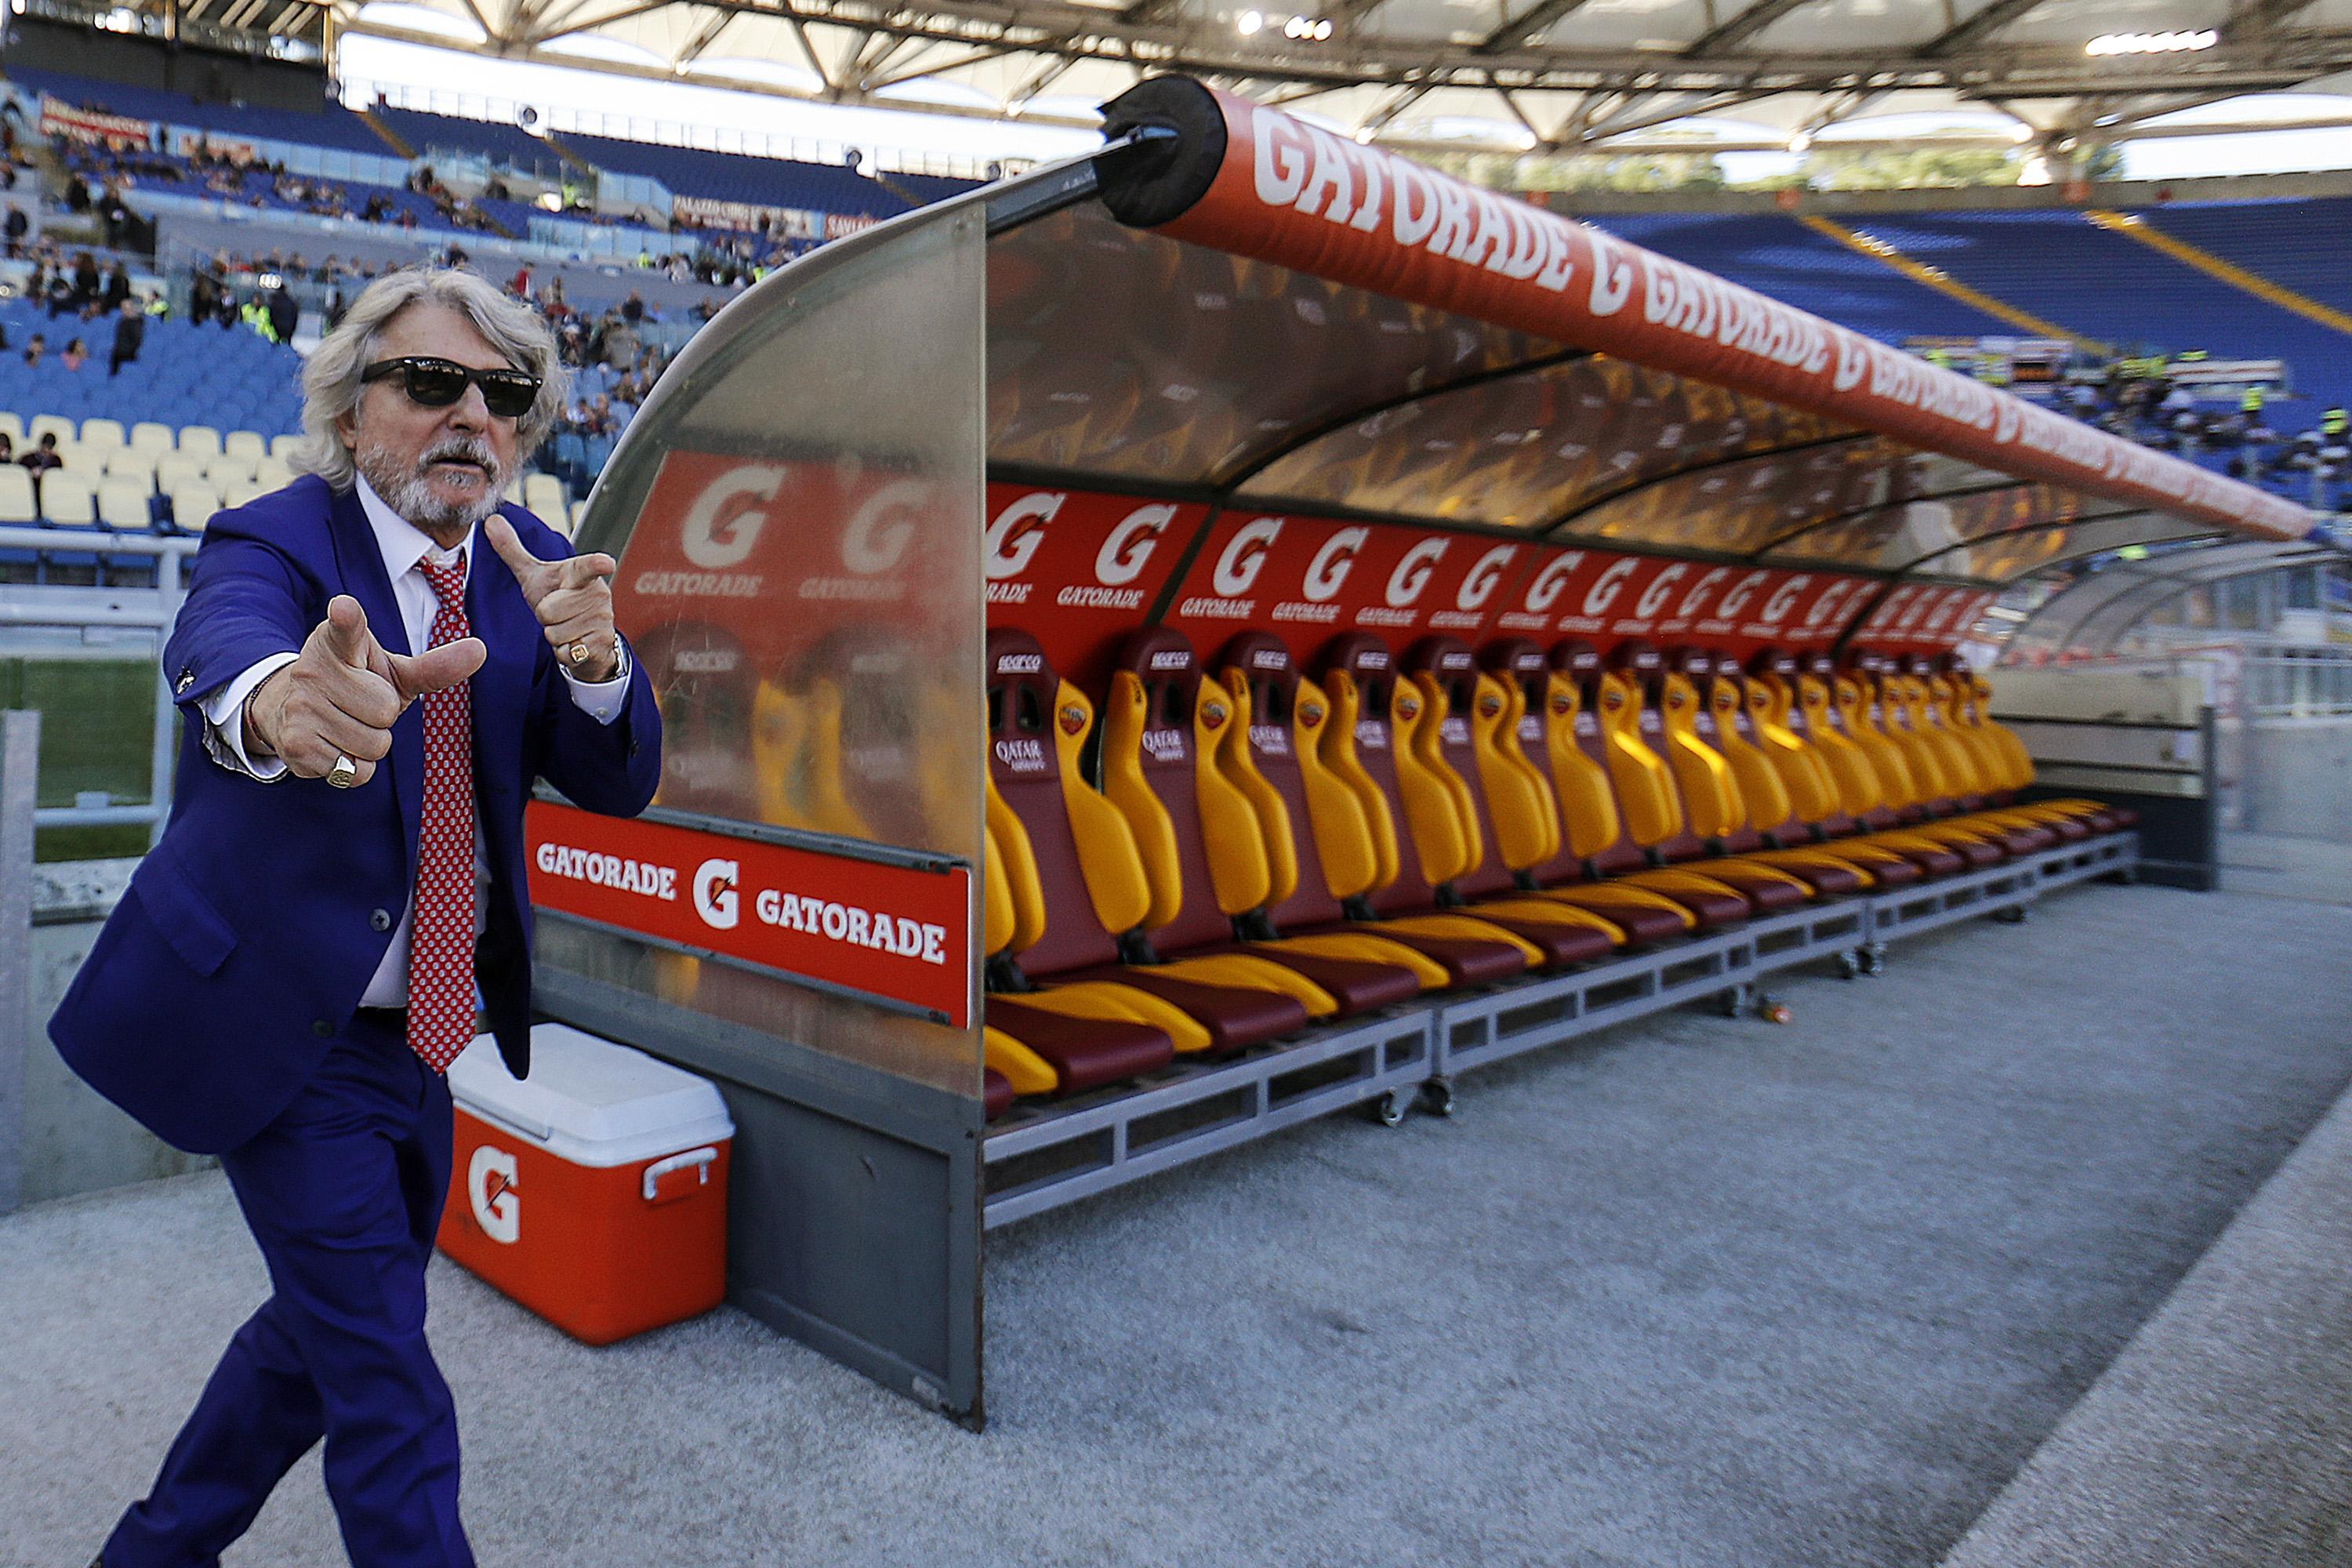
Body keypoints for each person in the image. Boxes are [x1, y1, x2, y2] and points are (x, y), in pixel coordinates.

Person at [51, 267, 662, 1568]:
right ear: (349, 413)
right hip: (285, 1035)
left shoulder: (534, 564)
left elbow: (619, 781)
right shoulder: (275, 538)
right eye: (432, 384)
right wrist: (283, 704)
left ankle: (150, 1554)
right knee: (390, 1386)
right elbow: (227, 643)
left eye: (503, 396)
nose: (473, 421)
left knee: (315, 1337)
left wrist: (600, 669)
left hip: (420, 1044)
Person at [107, 296, 143, 376]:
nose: (125, 311)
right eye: (123, 308)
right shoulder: (122, 321)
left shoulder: (136, 323)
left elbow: (137, 340)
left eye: (127, 308)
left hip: (128, 355)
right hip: (119, 353)